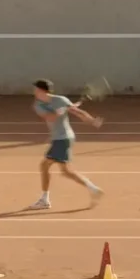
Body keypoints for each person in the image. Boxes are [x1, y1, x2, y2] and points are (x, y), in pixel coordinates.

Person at [28, 79, 104, 210]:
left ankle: (45, 200)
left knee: (46, 166)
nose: (34, 91)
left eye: (36, 89)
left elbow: (77, 112)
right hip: (59, 138)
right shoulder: (38, 104)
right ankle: (93, 189)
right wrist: (58, 112)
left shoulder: (61, 100)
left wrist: (92, 120)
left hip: (63, 138)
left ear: (42, 90)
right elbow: (49, 117)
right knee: (65, 171)